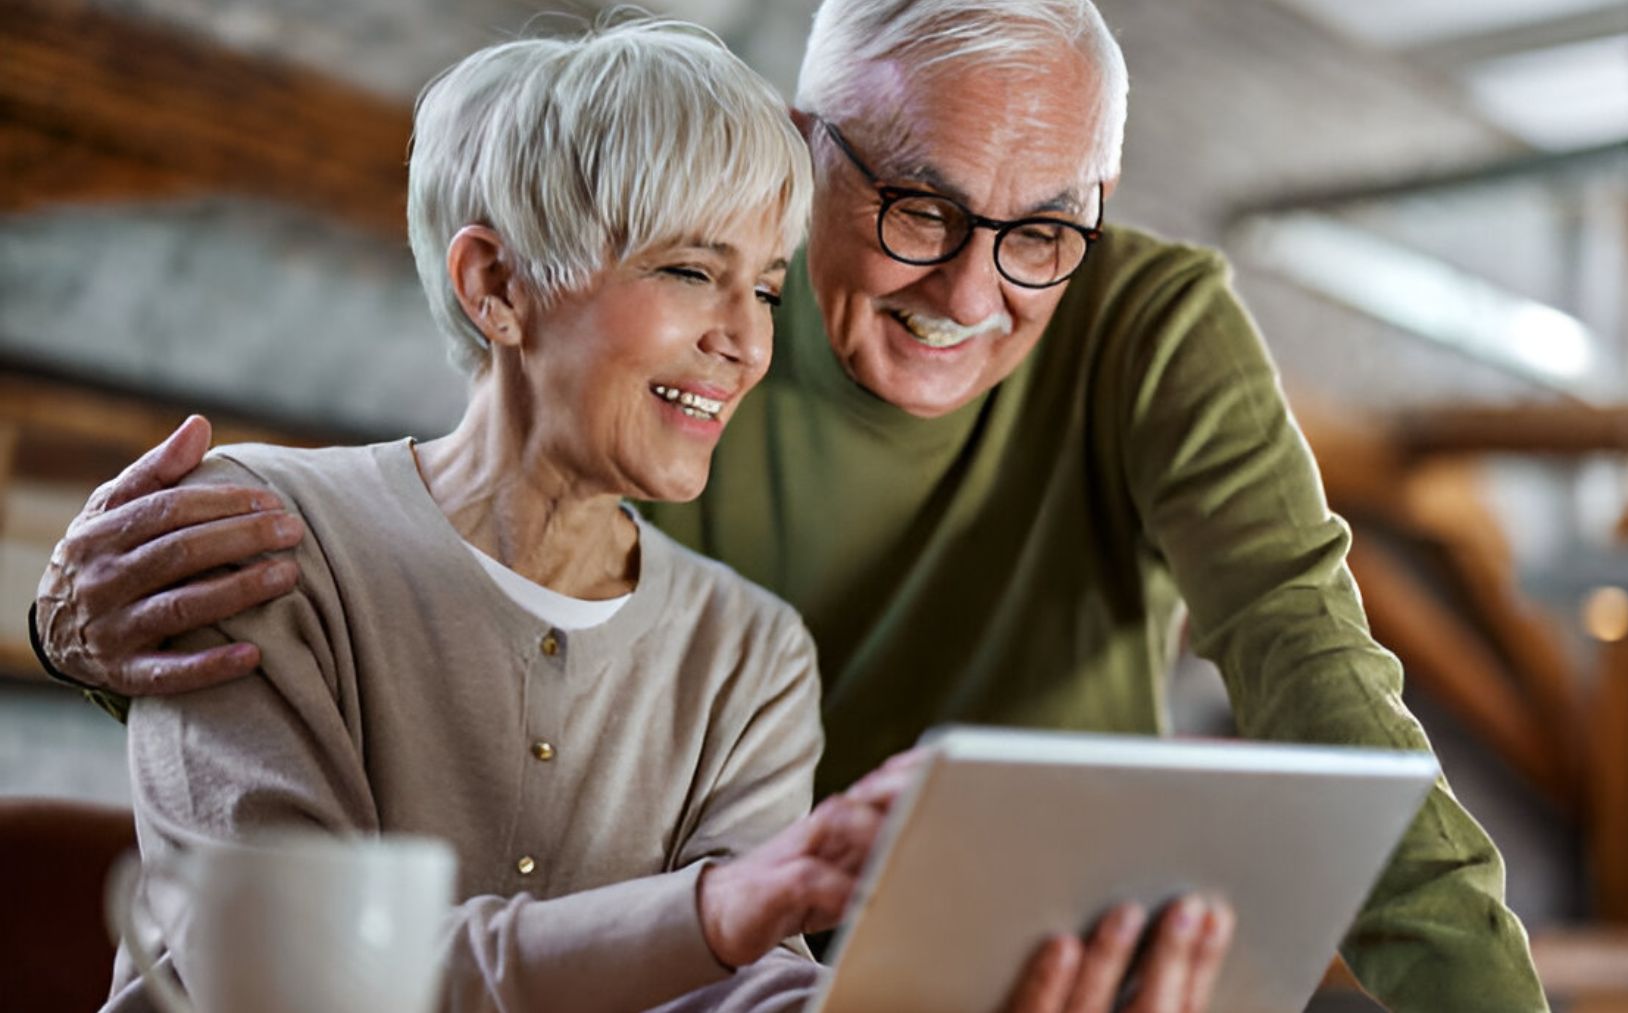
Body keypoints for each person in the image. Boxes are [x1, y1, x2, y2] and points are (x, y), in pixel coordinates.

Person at [37, 1, 1540, 1008]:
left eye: (1046, 232)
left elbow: (1315, 667)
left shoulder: (754, 637)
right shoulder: (646, 394)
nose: (971, 287)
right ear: (804, 148)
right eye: (919, 204)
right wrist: (75, 627)